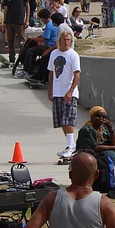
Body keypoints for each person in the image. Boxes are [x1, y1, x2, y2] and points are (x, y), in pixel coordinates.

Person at [75, 107, 115, 190]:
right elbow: (94, 147)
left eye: (104, 117)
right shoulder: (87, 129)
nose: (101, 118)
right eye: (98, 116)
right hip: (90, 153)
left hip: (103, 152)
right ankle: (111, 183)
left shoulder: (104, 128)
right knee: (111, 154)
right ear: (92, 116)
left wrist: (111, 130)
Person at [48, 30, 82, 160]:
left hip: (70, 93)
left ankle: (71, 146)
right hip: (57, 92)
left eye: (69, 40)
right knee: (61, 120)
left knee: (69, 118)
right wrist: (50, 89)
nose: (66, 42)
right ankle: (70, 145)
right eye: (64, 39)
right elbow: (51, 72)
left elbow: (77, 74)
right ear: (60, 41)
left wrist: (70, 91)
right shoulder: (54, 54)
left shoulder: (73, 55)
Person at [1, 0, 28, 65]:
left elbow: (27, 6)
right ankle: (12, 59)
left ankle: (23, 59)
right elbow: (6, 8)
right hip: (10, 21)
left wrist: (27, 20)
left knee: (22, 41)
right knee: (10, 41)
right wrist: (5, 21)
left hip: (20, 21)